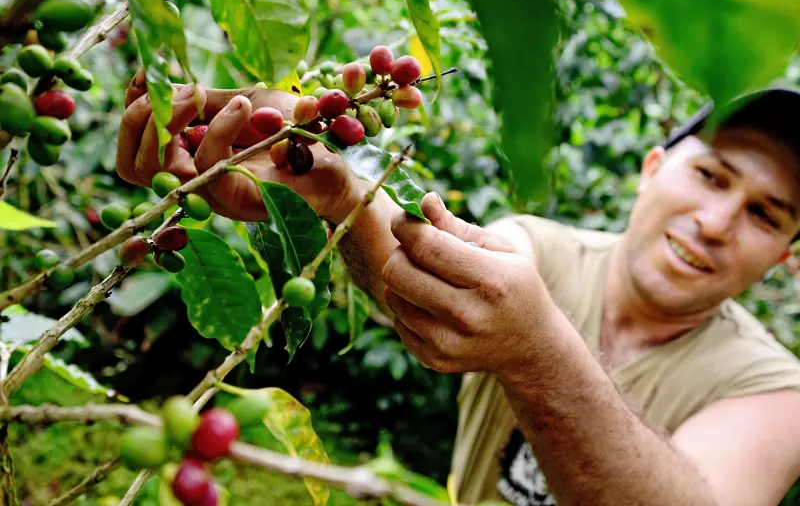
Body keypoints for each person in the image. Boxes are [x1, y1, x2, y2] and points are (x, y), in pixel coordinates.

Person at [118, 70, 800, 506]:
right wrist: (333, 192)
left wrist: (536, 352)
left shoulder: (777, 391)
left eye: (765, 214)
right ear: (652, 169)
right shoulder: (545, 250)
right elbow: (436, 278)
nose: (716, 223)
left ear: (781, 258)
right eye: (710, 176)